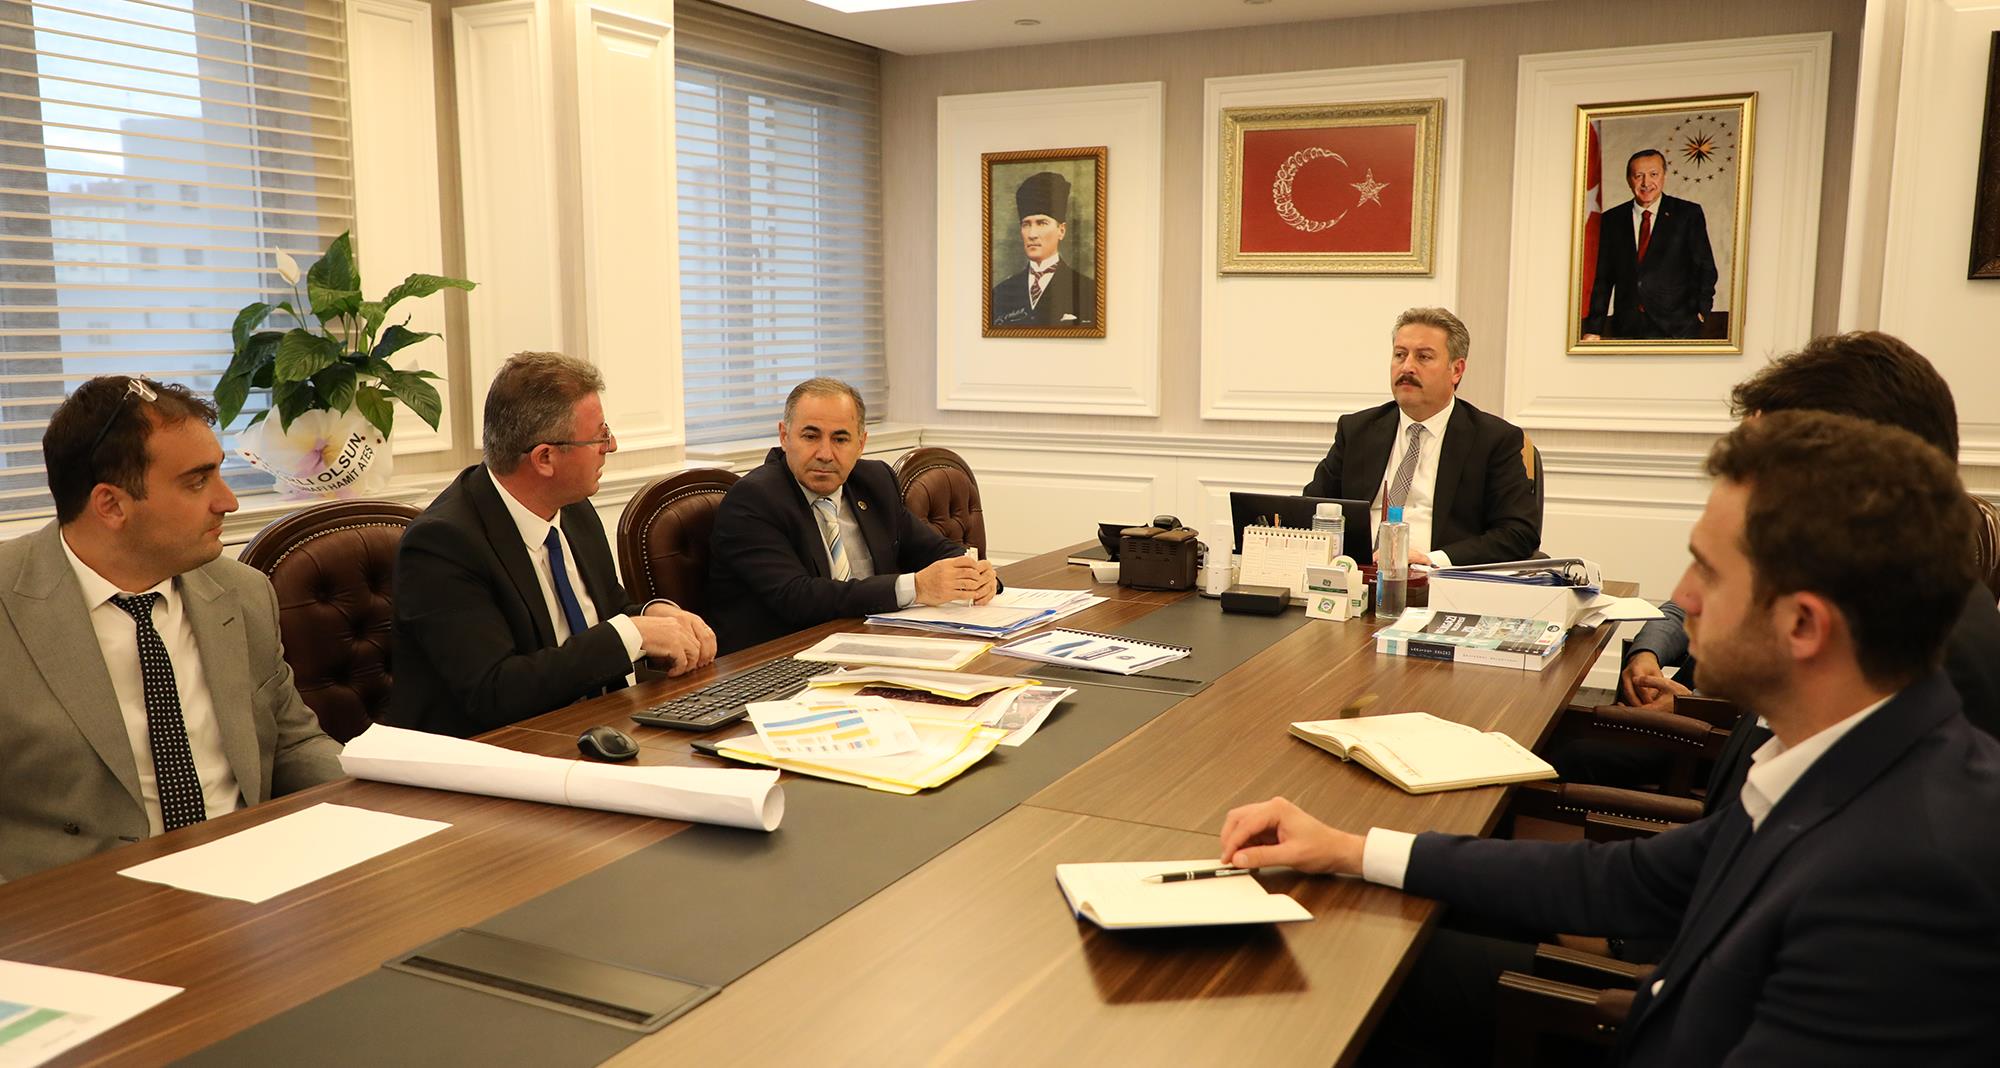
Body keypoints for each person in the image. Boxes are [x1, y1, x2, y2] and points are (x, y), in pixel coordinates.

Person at [1223, 411, 2000, 1066]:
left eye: (1707, 572)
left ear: (1803, 625)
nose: (1682, 597)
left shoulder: (1904, 877)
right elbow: (1621, 879)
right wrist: (1348, 849)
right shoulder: (1848, 758)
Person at [0, 376, 343, 882]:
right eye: (197, 482)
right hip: (76, 901)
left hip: (250, 876)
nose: (228, 501)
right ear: (110, 505)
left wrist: (388, 807)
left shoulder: (241, 591)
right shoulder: (10, 604)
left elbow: (294, 747)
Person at [390, 352, 715, 738]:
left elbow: (607, 612)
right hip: (500, 749)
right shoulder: (444, 545)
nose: (611, 445)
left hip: (598, 727)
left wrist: (654, 615)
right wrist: (634, 633)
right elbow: (494, 691)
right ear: (545, 458)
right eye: (599, 436)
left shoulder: (574, 508)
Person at [704, 377, 996, 655]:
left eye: (840, 439)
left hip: (868, 643)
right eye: (810, 436)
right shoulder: (754, 499)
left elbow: (933, 549)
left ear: (861, 443)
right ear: (784, 436)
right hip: (778, 658)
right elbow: (797, 597)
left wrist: (977, 574)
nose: (825, 453)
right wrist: (917, 587)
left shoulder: (874, 481)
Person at [1302, 306, 1539, 566]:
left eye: (1423, 357)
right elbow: (1310, 510)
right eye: (1400, 355)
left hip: (1438, 580)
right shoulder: (1357, 430)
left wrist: (1432, 560)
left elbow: (1519, 533)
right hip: (1356, 575)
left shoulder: (1493, 439)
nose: (1407, 367)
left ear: (1456, 370)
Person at [1581, 149, 1719, 341]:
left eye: (1653, 174)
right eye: (1639, 176)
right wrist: (1594, 328)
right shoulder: (1611, 220)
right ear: (1629, 180)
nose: (1646, 183)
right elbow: (1603, 279)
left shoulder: (1687, 214)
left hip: (1678, 329)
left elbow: (1705, 268)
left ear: (1664, 176)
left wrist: (1701, 311)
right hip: (1627, 329)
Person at [989, 170, 1097, 327]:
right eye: (1026, 224)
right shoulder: (1001, 292)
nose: (1032, 234)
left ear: (1061, 231)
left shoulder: (1086, 290)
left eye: (1042, 223)